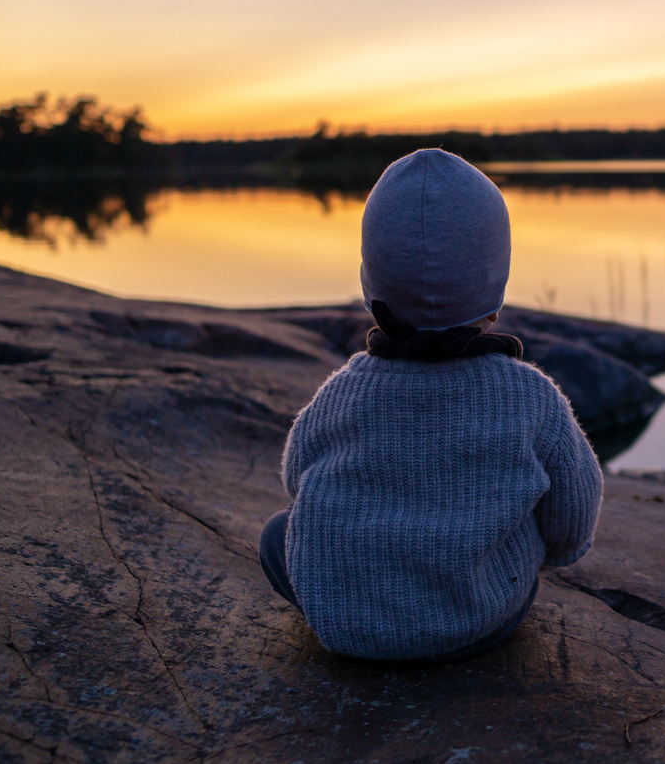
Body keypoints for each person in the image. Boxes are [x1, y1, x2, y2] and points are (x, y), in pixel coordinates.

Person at [258, 149, 602, 661]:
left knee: (276, 536)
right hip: (482, 620)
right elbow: (573, 516)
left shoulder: (342, 393)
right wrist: (546, 551)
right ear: (494, 292)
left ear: (371, 286)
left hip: (349, 628)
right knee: (530, 516)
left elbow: (296, 480)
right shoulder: (528, 396)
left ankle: (360, 610)